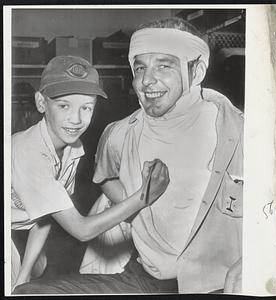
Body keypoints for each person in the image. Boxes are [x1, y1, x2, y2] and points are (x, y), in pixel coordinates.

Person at [14, 17, 244, 294]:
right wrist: (137, 205)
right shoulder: (121, 134)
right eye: (140, 67)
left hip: (217, 285)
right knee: (28, 293)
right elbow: (103, 178)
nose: (147, 80)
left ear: (197, 71)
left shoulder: (243, 134)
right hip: (143, 279)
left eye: (164, 65)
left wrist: (253, 262)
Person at [11, 55, 169, 291]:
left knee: (27, 281)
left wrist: (25, 272)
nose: (76, 119)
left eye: (86, 107)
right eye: (64, 106)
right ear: (41, 103)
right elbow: (81, 230)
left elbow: (44, 216)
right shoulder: (30, 153)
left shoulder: (72, 149)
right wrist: (143, 196)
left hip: (17, 233)